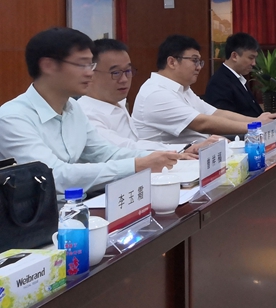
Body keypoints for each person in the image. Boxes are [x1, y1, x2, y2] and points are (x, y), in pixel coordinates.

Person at [0, 28, 181, 195]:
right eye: (82, 65)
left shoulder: (73, 108)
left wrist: (164, 157)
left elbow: (104, 153)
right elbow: (54, 176)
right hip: (39, 216)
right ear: (48, 66)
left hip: (78, 205)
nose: (90, 73)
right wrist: (136, 165)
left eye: (91, 65)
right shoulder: (13, 118)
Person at [132, 35, 276, 143]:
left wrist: (256, 120)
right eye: (194, 61)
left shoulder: (183, 89)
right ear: (172, 62)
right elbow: (202, 123)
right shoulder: (156, 93)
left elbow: (215, 113)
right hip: (172, 168)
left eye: (200, 62)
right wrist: (254, 126)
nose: (199, 67)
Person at [79, 39, 217, 154]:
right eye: (115, 73)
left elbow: (137, 143)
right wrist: (179, 152)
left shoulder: (117, 103)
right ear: (90, 73)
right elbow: (122, 149)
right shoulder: (85, 114)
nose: (124, 79)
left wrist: (185, 149)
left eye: (128, 71)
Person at [203, 33, 265, 118]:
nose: (254, 63)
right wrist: (258, 121)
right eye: (251, 58)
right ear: (234, 56)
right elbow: (224, 120)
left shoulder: (238, 78)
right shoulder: (219, 83)